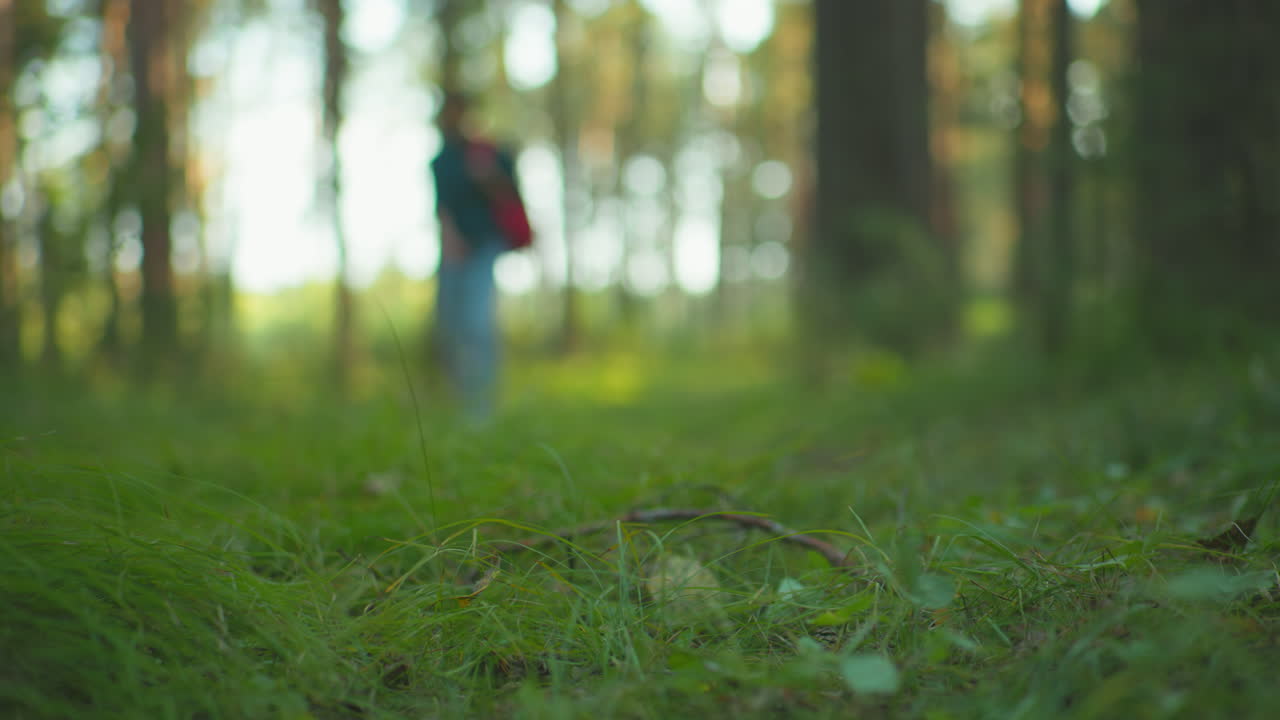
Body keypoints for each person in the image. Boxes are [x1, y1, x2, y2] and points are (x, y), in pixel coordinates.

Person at [430, 91, 515, 422]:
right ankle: (458, 400)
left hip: (485, 247)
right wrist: (451, 241)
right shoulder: (442, 160)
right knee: (450, 326)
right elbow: (442, 208)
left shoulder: (495, 154)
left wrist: (488, 175)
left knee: (478, 324)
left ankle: (481, 409)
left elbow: (510, 198)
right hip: (453, 252)